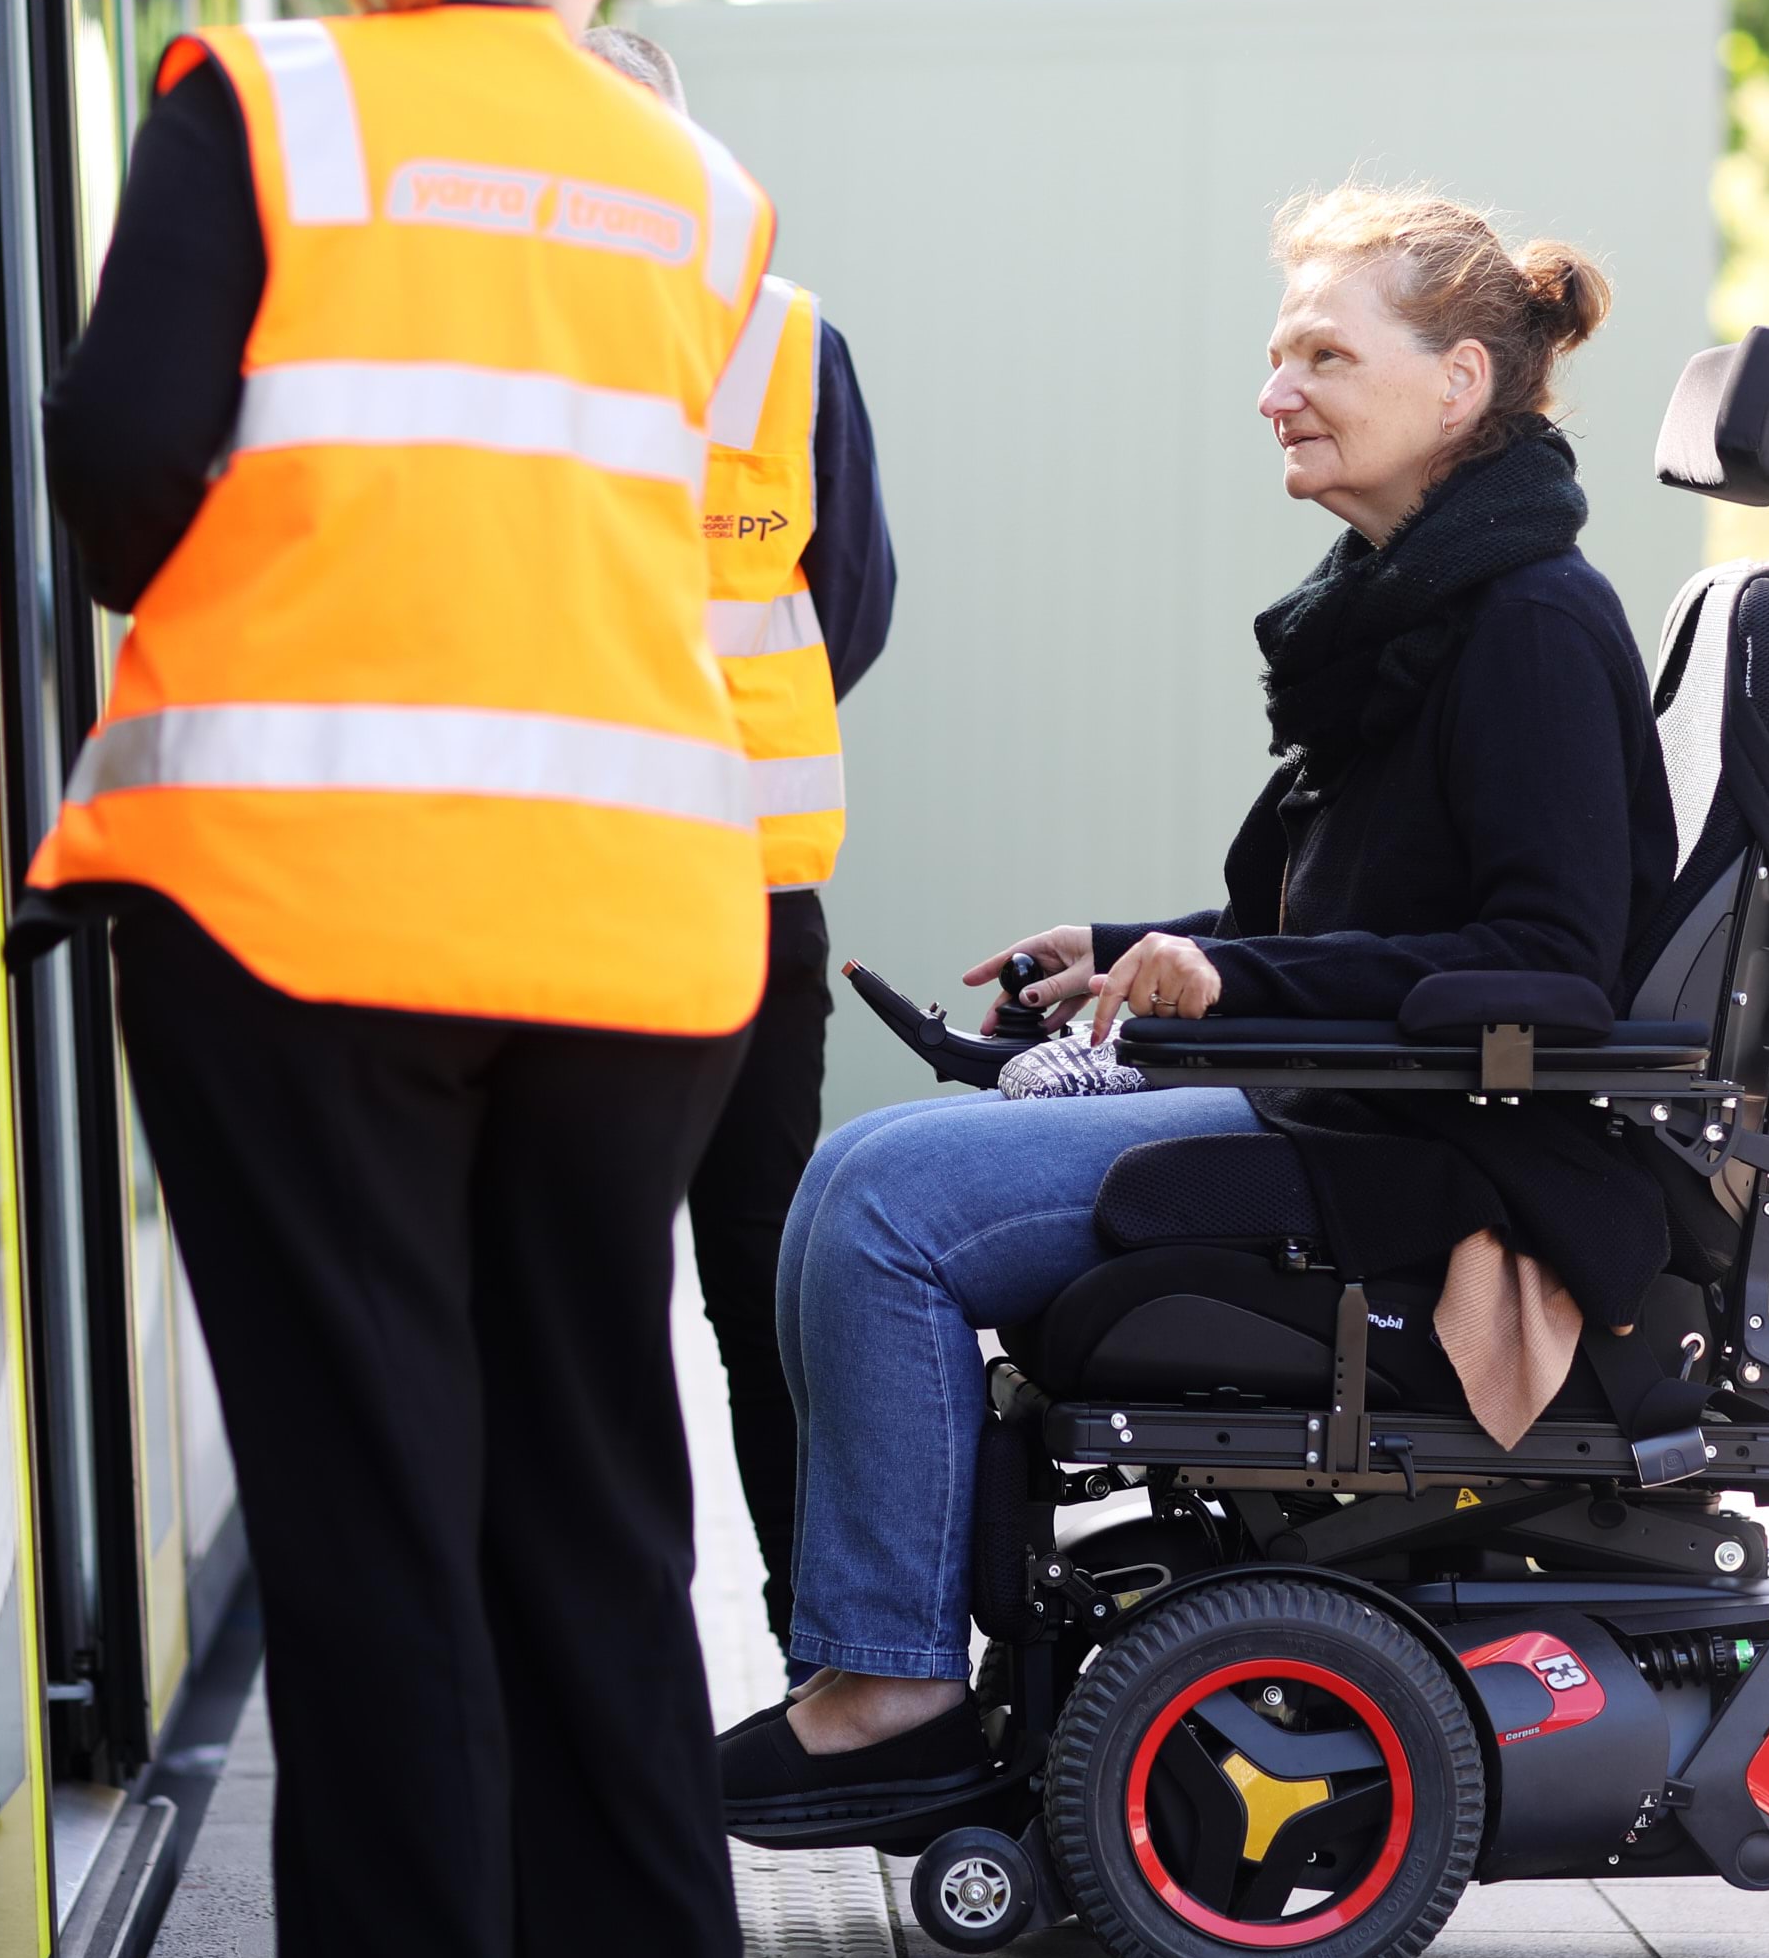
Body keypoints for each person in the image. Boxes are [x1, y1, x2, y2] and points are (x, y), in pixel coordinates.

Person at [22, 0, 777, 1958]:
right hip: (642, 929)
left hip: (297, 904)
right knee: (586, 1483)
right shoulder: (702, 187)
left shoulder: (265, 105)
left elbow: (126, 459)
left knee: (369, 1519)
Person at [716, 186, 1677, 1817]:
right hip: (1340, 1101)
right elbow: (1330, 916)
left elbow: (1553, 964)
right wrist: (1131, 946)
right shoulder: (1412, 607)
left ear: (1458, 387)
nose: (1274, 389)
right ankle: (864, 1658)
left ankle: (891, 1692)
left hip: (1438, 1155)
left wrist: (1240, 979)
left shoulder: (1524, 625)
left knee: (886, 1202)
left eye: (1322, 351)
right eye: (1276, 350)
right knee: (852, 1173)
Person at [581, 22, 899, 1658]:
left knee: (621, 1301)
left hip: (614, 896)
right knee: (760, 1282)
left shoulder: (764, 341)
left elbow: (842, 610)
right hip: (736, 884)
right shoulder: (781, 340)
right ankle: (830, 1662)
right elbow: (844, 614)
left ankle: (713, 1663)